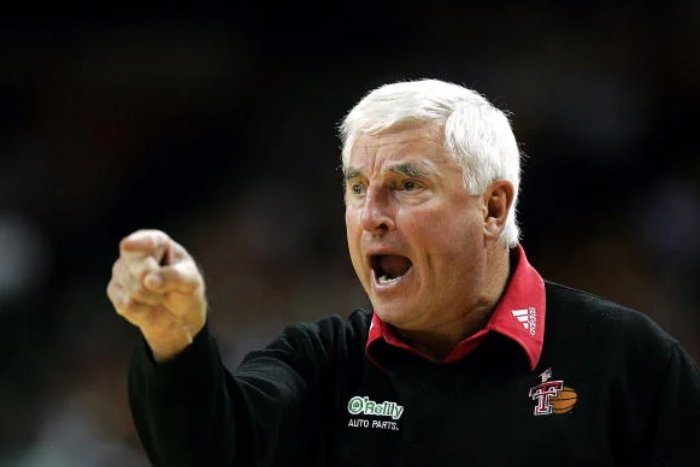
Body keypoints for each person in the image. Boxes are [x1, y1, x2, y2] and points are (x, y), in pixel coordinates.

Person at [107, 79, 700, 466]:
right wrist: (173, 338)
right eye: (357, 188)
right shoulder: (322, 366)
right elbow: (212, 453)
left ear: (493, 208)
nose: (371, 216)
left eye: (407, 185)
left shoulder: (628, 360)